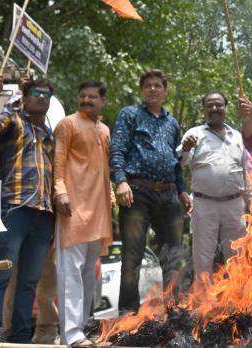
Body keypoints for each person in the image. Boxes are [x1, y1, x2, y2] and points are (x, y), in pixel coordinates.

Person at [0, 74, 55, 342]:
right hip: (14, 209)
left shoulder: (49, 133)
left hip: (44, 215)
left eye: (46, 94)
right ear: (24, 97)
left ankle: (20, 341)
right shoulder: (11, 120)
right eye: (36, 93)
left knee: (29, 283)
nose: (42, 98)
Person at [110, 69, 191, 311]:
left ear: (165, 92)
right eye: (148, 86)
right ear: (142, 90)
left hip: (169, 195)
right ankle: (127, 317)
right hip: (137, 191)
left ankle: (174, 312)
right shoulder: (130, 114)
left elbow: (175, 161)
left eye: (158, 85)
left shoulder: (172, 123)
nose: (153, 89)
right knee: (132, 258)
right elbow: (117, 150)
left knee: (174, 257)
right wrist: (120, 181)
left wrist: (182, 190)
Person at [54, 80, 114, 346]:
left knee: (90, 270)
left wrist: (110, 194)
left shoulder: (104, 129)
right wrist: (60, 191)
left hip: (99, 208)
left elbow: (105, 168)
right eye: (82, 96)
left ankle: (85, 326)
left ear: (102, 101)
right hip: (74, 206)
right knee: (70, 271)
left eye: (92, 97)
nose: (86, 100)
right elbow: (58, 161)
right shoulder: (67, 124)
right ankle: (71, 334)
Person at [178, 91, 250, 278]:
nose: (214, 108)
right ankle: (203, 304)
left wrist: (251, 203)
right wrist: (185, 149)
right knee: (203, 257)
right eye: (209, 105)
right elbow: (181, 161)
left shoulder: (238, 137)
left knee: (237, 256)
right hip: (204, 204)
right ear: (204, 109)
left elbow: (246, 172)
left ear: (226, 108)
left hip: (235, 204)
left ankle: (239, 304)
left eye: (218, 104)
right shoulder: (194, 134)